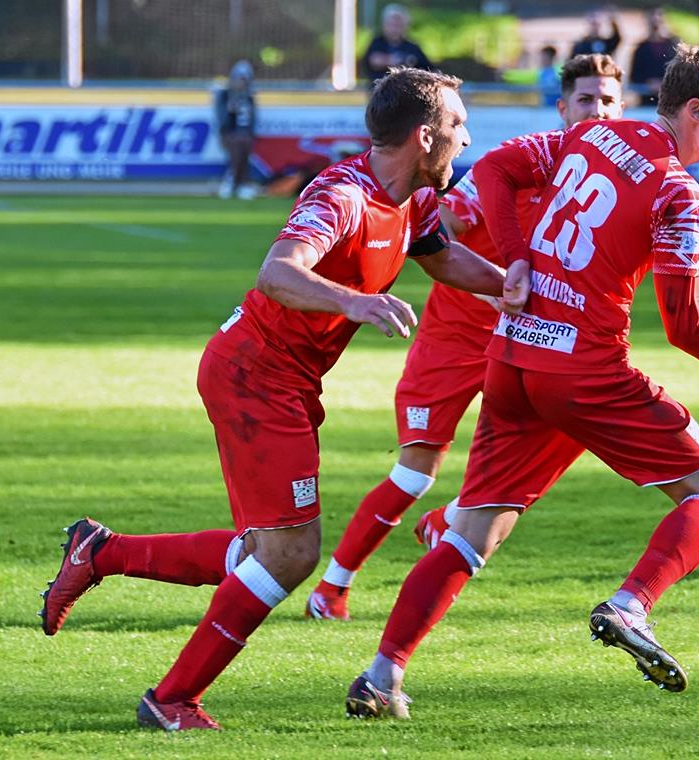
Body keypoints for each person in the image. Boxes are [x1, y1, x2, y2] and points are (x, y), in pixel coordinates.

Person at [344, 44, 699, 719]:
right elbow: (684, 327)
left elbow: (501, 166)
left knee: (472, 532)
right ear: (694, 110)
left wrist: (517, 263)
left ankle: (382, 675)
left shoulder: (591, 133)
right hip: (586, 372)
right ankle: (631, 607)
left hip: (511, 358)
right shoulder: (680, 195)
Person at [38, 68, 508, 731]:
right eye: (458, 126)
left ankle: (101, 553)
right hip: (254, 377)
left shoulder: (417, 201)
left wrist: (518, 288)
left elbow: (442, 260)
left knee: (261, 551)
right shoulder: (344, 194)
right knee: (289, 554)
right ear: (424, 134)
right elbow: (278, 270)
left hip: (284, 381)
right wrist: (355, 301)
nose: (467, 137)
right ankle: (171, 700)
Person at [305, 54, 628, 622]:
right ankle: (333, 585)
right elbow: (444, 225)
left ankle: (453, 519)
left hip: (536, 343)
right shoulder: (518, 164)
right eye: (586, 100)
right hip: (454, 341)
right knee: (412, 473)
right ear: (562, 108)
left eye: (607, 101)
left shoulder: (623, 182)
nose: (597, 110)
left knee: (560, 441)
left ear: (621, 108)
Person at [215, 60, 258, 200]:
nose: (241, 83)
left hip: (245, 136)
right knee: (239, 143)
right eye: (239, 79)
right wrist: (230, 111)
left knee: (244, 142)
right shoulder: (224, 95)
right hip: (228, 134)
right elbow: (221, 120)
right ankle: (241, 182)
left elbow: (252, 120)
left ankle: (233, 179)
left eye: (244, 79)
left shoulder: (250, 98)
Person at [363, 4, 433, 83]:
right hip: (379, 88)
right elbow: (373, 60)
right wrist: (391, 60)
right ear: (384, 25)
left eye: (398, 25)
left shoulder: (412, 47)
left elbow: (427, 69)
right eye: (392, 25)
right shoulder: (377, 43)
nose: (394, 29)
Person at [629, 9, 681, 107]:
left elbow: (681, 73)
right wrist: (649, 84)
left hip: (671, 103)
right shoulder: (641, 48)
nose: (656, 27)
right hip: (646, 101)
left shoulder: (674, 47)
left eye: (659, 23)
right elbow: (634, 75)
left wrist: (663, 82)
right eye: (653, 24)